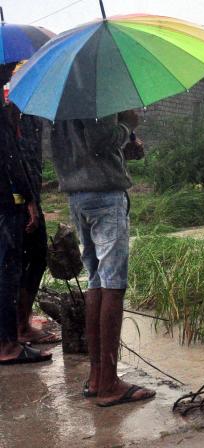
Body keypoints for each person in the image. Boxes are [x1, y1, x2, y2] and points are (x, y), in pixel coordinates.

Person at [51, 110, 154, 406]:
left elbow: (87, 143)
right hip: (105, 196)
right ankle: (109, 383)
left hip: (77, 195)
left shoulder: (62, 94)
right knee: (113, 285)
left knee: (96, 281)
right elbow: (100, 140)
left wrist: (123, 141)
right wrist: (127, 125)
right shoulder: (98, 86)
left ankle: (97, 377)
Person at [0, 62, 51, 365]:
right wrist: (28, 197)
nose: (9, 67)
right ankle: (8, 344)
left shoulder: (16, 109)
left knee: (29, 259)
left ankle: (19, 328)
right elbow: (10, 157)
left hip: (19, 194)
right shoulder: (6, 110)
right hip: (10, 199)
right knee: (9, 268)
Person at [15, 107, 57, 344]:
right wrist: (28, 198)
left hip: (24, 195)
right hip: (19, 198)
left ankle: (21, 320)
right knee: (31, 257)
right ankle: (20, 325)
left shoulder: (28, 112)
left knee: (29, 258)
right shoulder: (17, 111)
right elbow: (18, 156)